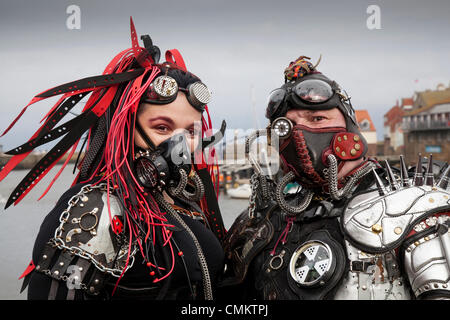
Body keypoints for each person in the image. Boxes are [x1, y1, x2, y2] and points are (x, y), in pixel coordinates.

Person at [0, 18, 227, 300]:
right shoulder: (97, 210)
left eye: (190, 131)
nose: (180, 144)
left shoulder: (186, 202)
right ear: (126, 126)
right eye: (162, 128)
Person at [222, 55, 450, 300]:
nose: (300, 133)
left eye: (317, 119)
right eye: (287, 126)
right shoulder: (261, 220)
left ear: (349, 126)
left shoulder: (414, 205)